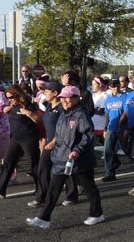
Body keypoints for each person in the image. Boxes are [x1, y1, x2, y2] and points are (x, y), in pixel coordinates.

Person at [26, 86, 104, 229]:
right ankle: (44, 218)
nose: (65, 100)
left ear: (76, 98)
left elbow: (87, 135)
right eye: (63, 97)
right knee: (54, 187)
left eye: (69, 97)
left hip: (80, 159)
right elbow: (60, 133)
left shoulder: (81, 114)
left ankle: (97, 213)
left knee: (89, 187)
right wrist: (53, 143)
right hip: (62, 157)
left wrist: (77, 150)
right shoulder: (63, 113)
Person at [0, 85, 42, 199]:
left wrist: (28, 113)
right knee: (7, 163)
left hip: (29, 138)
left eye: (11, 97)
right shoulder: (13, 105)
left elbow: (39, 120)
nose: (9, 100)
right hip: (16, 138)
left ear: (18, 95)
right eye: (7, 98)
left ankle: (40, 190)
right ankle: (0, 190)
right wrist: (7, 108)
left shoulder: (29, 105)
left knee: (34, 165)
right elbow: (7, 111)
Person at [29, 82, 78, 208]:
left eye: (47, 91)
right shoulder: (49, 106)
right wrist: (44, 140)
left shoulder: (63, 108)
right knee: (43, 168)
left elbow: (66, 127)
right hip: (48, 143)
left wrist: (54, 141)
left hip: (62, 144)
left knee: (66, 170)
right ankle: (41, 197)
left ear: (55, 93)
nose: (44, 94)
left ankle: (71, 195)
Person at [101, 79, 126, 182]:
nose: (116, 88)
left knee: (128, 150)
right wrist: (105, 128)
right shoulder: (108, 99)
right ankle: (109, 173)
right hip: (111, 127)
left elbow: (127, 112)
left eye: (117, 86)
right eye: (113, 86)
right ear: (110, 88)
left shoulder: (125, 97)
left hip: (122, 128)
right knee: (107, 150)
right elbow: (107, 114)